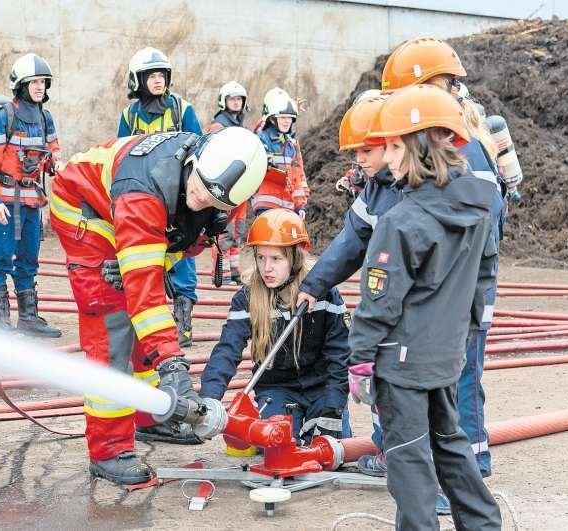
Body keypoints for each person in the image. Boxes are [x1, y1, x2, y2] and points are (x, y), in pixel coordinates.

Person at [49, 127, 267, 485]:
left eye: (212, 199)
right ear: (192, 161)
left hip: (127, 211)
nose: (199, 199)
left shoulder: (227, 189)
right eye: (198, 187)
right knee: (112, 323)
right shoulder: (145, 189)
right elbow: (145, 296)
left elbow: (182, 241)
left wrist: (154, 265)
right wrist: (172, 365)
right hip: (86, 211)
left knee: (143, 319)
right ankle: (108, 450)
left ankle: (150, 415)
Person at [353, 38, 506, 512]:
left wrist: (359, 361)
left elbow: (379, 304)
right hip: (445, 352)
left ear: (416, 146)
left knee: (408, 462)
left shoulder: (402, 221)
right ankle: (482, 522)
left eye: (393, 145)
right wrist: (470, 325)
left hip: (403, 362)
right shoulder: (478, 205)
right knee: (452, 445)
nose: (385, 157)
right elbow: (483, 274)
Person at [200, 209, 351, 451]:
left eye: (276, 259)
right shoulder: (247, 297)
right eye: (261, 258)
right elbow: (227, 350)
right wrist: (208, 399)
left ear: (295, 258)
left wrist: (333, 408)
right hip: (276, 388)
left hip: (321, 388)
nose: (266, 268)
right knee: (276, 448)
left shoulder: (324, 293)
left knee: (331, 449)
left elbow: (340, 355)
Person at [117, 46, 202, 348]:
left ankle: (183, 320)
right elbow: (120, 155)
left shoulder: (182, 109)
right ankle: (151, 322)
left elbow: (200, 148)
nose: (157, 80)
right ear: (137, 80)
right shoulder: (129, 116)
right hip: (144, 197)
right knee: (146, 256)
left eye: (161, 75)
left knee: (182, 254)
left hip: (178, 196)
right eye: (151, 76)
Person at [0, 53, 62, 337]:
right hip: (6, 203)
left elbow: (52, 152)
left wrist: (55, 163)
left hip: (32, 203)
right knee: (0, 261)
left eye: (43, 82)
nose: (39, 87)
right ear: (21, 85)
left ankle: (28, 319)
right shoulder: (3, 117)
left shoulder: (45, 118)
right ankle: (0, 324)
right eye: (34, 82)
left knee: (28, 261)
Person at [208, 81, 249, 284]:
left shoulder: (239, 126)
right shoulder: (219, 126)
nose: (236, 102)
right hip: (225, 185)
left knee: (237, 230)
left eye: (239, 99)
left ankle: (233, 270)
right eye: (232, 99)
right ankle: (220, 272)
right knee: (224, 229)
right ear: (224, 102)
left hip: (240, 184)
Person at [252, 88, 309, 218]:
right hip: (266, 204)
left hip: (288, 207)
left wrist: (299, 205)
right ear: (272, 119)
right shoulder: (261, 139)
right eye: (282, 117)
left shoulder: (291, 144)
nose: (287, 121)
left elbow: (297, 177)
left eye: (289, 117)